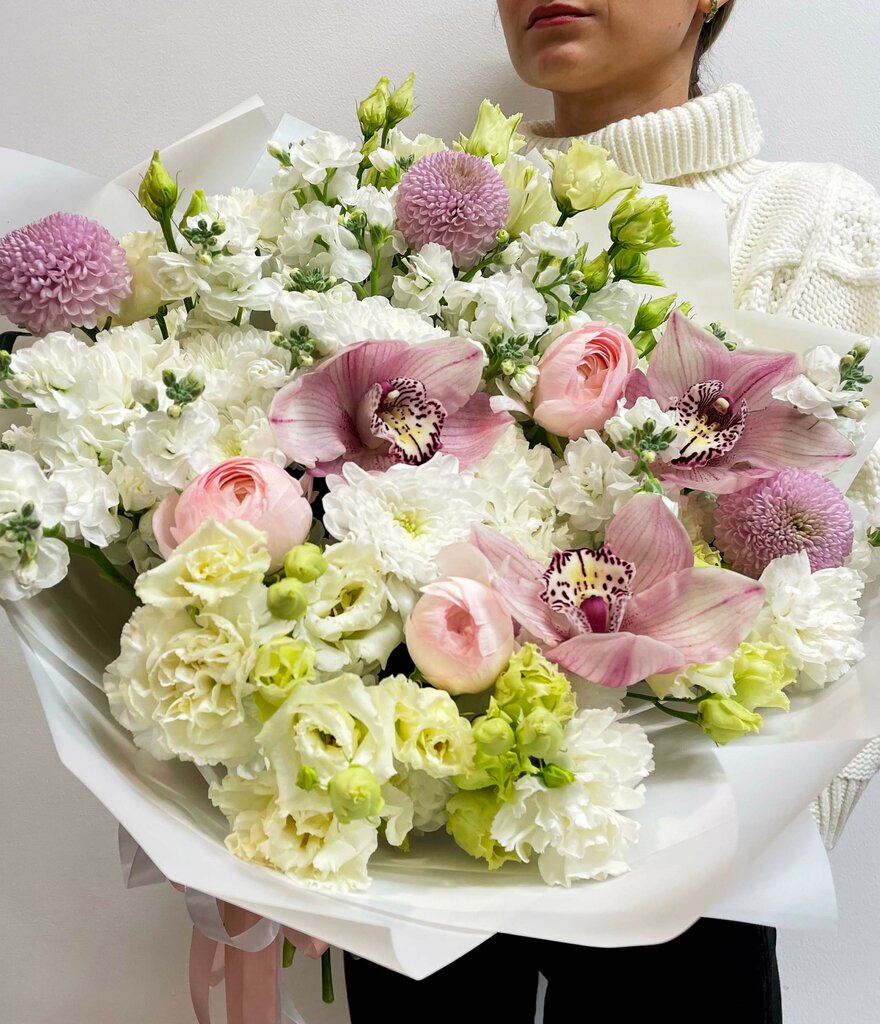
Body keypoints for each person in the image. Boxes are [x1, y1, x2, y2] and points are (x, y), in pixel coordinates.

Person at [344, 2, 880, 1021]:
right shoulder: (419, 217)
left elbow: (858, 584)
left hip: (691, 858)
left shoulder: (811, 221)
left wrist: (764, 842)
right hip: (423, 825)